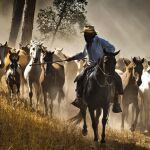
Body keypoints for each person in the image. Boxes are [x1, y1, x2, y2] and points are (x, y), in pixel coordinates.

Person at [67, 25, 123, 113]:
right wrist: (72, 58)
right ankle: (79, 99)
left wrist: (106, 54)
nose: (85, 36)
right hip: (91, 66)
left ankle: (116, 103)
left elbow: (112, 47)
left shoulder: (100, 41)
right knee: (79, 77)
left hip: (102, 65)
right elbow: (82, 54)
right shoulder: (87, 45)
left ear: (92, 34)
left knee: (116, 77)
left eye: (86, 34)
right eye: (84, 34)